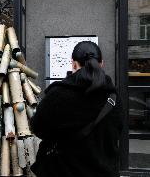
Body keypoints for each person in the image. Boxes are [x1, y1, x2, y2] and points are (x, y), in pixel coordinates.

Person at [30, 41, 123, 177]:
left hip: (63, 171)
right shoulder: (113, 98)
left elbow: (37, 127)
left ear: (73, 64)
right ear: (101, 63)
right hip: (105, 171)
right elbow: (117, 132)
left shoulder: (58, 95)